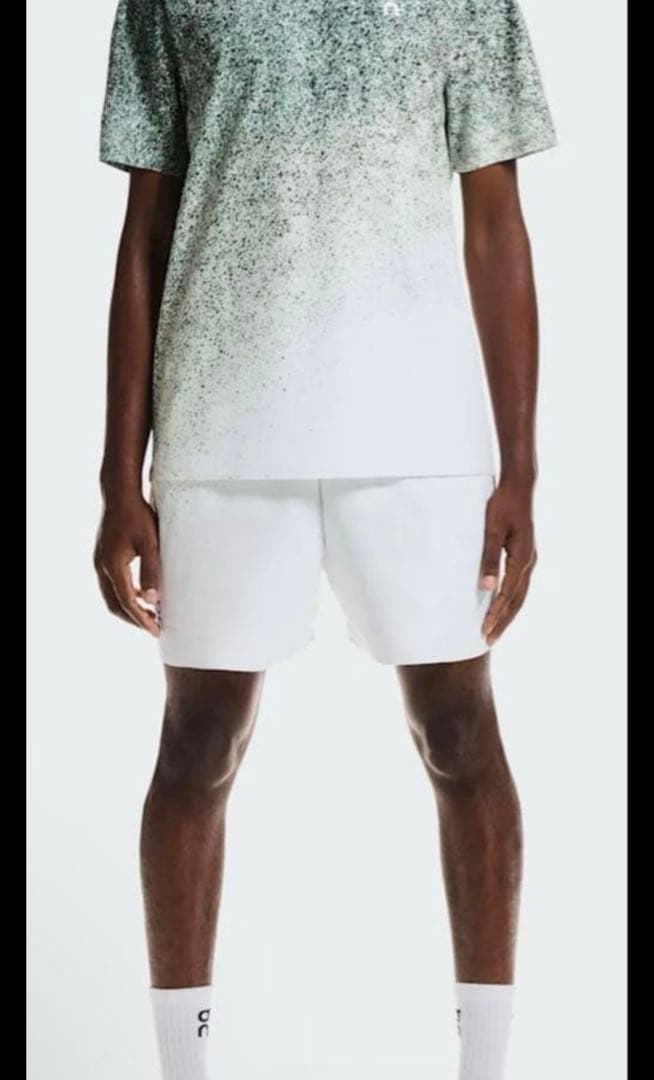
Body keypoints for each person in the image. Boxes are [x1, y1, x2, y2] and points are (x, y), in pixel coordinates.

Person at [94, 1, 556, 1077]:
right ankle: (183, 1069)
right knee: (198, 744)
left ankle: (486, 1067)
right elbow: (145, 230)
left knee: (459, 731)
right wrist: (119, 473)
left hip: (417, 421)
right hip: (222, 416)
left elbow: (496, 220)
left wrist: (521, 467)